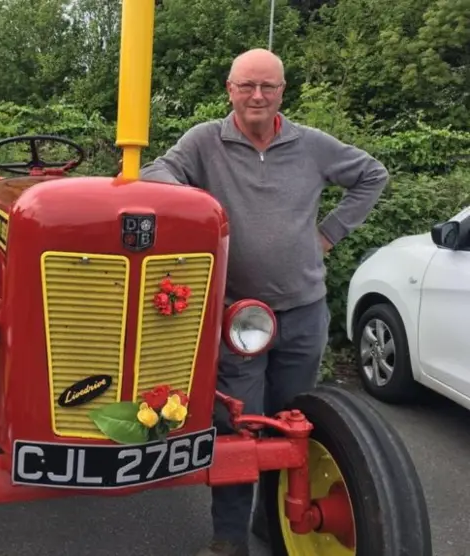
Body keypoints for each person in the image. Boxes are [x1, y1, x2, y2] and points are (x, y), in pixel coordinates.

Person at [139, 48, 389, 556]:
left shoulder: (312, 145)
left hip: (301, 310)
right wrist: (200, 208)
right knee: (238, 427)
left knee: (293, 420)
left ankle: (275, 523)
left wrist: (330, 233)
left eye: (268, 87)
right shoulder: (205, 142)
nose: (257, 96)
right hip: (238, 316)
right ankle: (230, 538)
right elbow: (152, 176)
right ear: (229, 90)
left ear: (282, 91)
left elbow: (373, 175)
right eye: (247, 85)